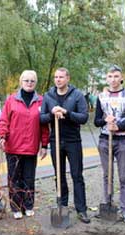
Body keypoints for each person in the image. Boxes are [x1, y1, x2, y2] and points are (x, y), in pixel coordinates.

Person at [40, 67, 90, 224]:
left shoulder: (77, 95)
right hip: (56, 141)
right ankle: (62, 205)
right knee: (59, 175)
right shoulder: (48, 96)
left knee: (77, 175)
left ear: (68, 78)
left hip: (73, 141)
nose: (58, 80)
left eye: (61, 77)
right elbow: (41, 119)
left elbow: (83, 117)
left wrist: (66, 112)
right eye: (56, 77)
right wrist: (52, 114)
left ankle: (81, 210)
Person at [0, 70, 49, 219]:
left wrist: (44, 145)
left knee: (29, 178)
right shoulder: (11, 100)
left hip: (31, 147)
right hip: (13, 146)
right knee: (14, 178)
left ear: (36, 83)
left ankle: (28, 205)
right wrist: (2, 136)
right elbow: (3, 121)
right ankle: (16, 207)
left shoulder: (41, 101)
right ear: (21, 82)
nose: (29, 83)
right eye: (26, 80)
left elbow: (44, 126)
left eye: (32, 81)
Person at [94, 65, 125, 224]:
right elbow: (97, 120)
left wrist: (119, 126)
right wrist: (105, 120)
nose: (113, 79)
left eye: (116, 76)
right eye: (110, 76)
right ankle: (108, 203)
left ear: (121, 77)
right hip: (105, 140)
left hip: (122, 140)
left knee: (124, 177)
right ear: (107, 78)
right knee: (107, 175)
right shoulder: (101, 96)